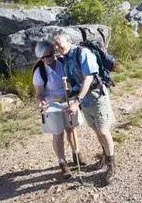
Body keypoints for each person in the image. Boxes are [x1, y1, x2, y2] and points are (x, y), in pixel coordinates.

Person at [52, 34, 116, 185]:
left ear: (68, 42)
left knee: (104, 130)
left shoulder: (83, 53)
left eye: (59, 43)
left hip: (97, 97)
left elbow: (88, 79)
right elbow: (75, 83)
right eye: (54, 45)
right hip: (85, 102)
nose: (56, 47)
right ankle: (105, 157)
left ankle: (112, 165)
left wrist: (77, 101)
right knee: (96, 130)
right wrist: (68, 97)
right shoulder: (66, 59)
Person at [33, 41, 87, 179]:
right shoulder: (40, 72)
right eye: (43, 57)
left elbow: (75, 78)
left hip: (67, 100)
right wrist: (41, 101)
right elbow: (39, 94)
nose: (47, 59)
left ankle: (77, 153)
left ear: (53, 51)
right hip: (52, 106)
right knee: (58, 133)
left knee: (71, 128)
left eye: (49, 55)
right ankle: (62, 163)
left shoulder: (64, 63)